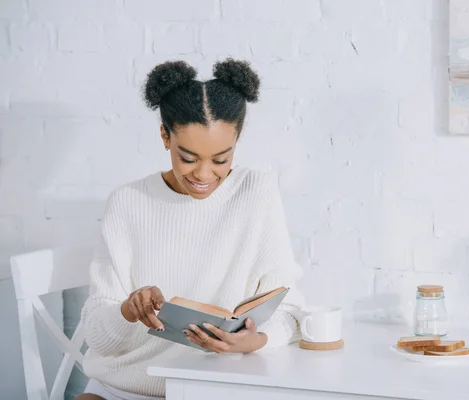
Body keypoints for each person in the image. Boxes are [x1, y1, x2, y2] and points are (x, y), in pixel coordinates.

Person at [75, 59, 305, 400]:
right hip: (120, 390)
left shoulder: (256, 193)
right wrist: (128, 310)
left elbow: (291, 311)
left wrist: (255, 340)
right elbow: (97, 337)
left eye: (221, 159)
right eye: (188, 158)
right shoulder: (127, 202)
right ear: (165, 136)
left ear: (237, 141)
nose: (204, 175)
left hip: (212, 391)